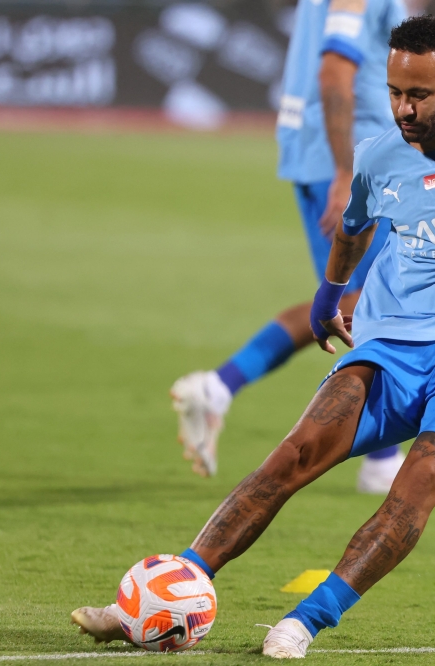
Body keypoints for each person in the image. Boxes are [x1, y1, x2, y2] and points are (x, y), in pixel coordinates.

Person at [70, 15, 435, 658]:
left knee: (421, 476)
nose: (402, 107)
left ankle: (306, 621)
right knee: (293, 454)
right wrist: (327, 298)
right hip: (393, 341)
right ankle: (164, 593)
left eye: (419, 95)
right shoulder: (379, 154)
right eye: (395, 91)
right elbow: (352, 227)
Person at [168, 0, 408, 492]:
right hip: (349, 157)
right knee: (377, 303)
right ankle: (382, 461)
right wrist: (347, 172)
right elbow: (334, 71)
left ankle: (219, 387)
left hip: (322, 152)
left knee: (353, 303)